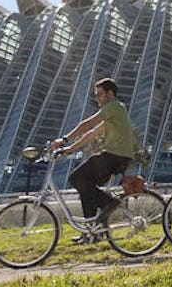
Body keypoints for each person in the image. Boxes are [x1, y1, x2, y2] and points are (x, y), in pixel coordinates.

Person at [50, 78, 139, 235]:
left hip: (115, 156)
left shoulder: (113, 106)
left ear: (110, 94)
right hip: (118, 156)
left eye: (100, 94)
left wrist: (63, 139)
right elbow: (92, 133)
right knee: (86, 188)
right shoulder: (115, 111)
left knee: (76, 178)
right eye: (96, 95)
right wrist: (70, 149)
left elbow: (87, 124)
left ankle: (110, 203)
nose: (97, 98)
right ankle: (92, 232)